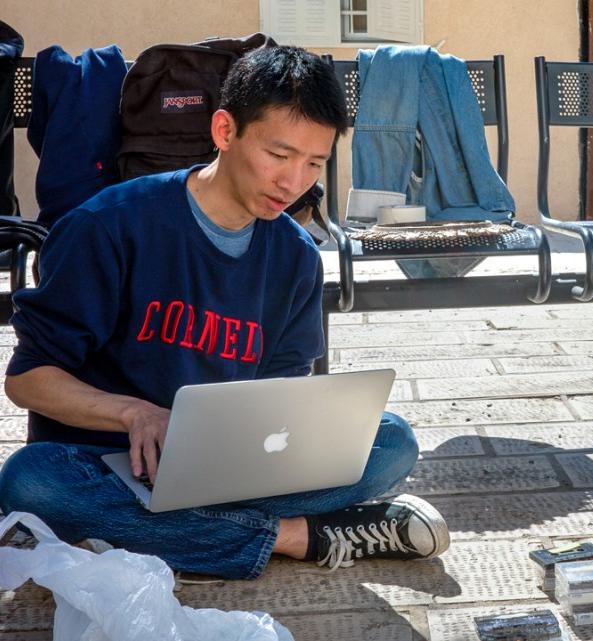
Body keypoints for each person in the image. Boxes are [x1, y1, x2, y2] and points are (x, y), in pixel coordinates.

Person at [0, 46, 450, 577]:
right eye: (279, 156)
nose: (293, 182)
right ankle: (298, 536)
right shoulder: (108, 227)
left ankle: (151, 533)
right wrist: (135, 413)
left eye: (314, 164)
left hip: (227, 465)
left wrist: (276, 440)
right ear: (224, 131)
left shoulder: (296, 257)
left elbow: (281, 394)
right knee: (29, 481)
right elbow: (28, 380)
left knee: (391, 440)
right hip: (104, 461)